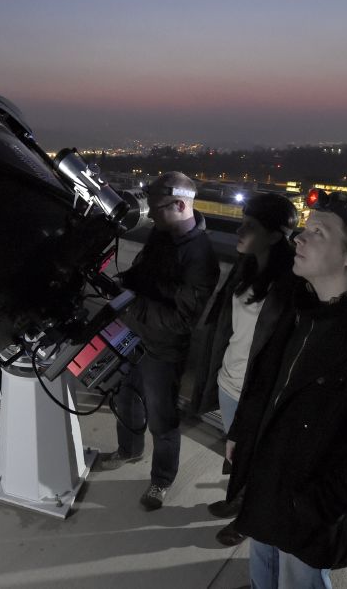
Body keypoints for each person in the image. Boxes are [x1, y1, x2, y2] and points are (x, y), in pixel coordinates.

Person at [216, 191, 347, 589]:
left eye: (317, 231)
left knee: (300, 579)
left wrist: (310, 506)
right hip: (268, 487)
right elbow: (264, 380)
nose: (299, 237)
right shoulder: (302, 307)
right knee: (263, 562)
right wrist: (242, 432)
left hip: (306, 513)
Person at [99, 171, 220, 511]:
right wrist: (122, 284)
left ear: (180, 204)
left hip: (164, 350)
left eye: (157, 208)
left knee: (162, 417)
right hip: (136, 336)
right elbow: (143, 275)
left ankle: (162, 479)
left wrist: (127, 303)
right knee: (125, 398)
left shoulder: (200, 258)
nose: (151, 215)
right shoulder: (162, 236)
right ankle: (129, 450)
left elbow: (180, 321)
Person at [189, 193, 298, 519]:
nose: (239, 231)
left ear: (276, 235)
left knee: (258, 457)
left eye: (249, 226)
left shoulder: (292, 283)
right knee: (237, 451)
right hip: (229, 382)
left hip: (258, 391)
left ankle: (247, 515)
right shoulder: (245, 267)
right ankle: (238, 500)